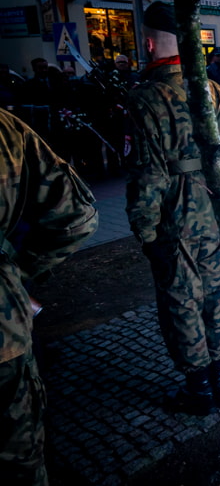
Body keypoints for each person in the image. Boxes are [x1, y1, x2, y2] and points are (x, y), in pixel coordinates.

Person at [124, 1, 220, 415]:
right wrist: (209, 170)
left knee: (181, 301)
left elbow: (148, 175)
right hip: (215, 211)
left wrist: (145, 231)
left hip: (173, 219)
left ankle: (199, 388)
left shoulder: (145, 98)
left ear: (149, 43)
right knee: (216, 295)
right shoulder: (209, 89)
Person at [0, 108, 98, 485]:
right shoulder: (6, 128)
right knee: (18, 457)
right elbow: (77, 215)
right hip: (5, 330)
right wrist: (15, 270)